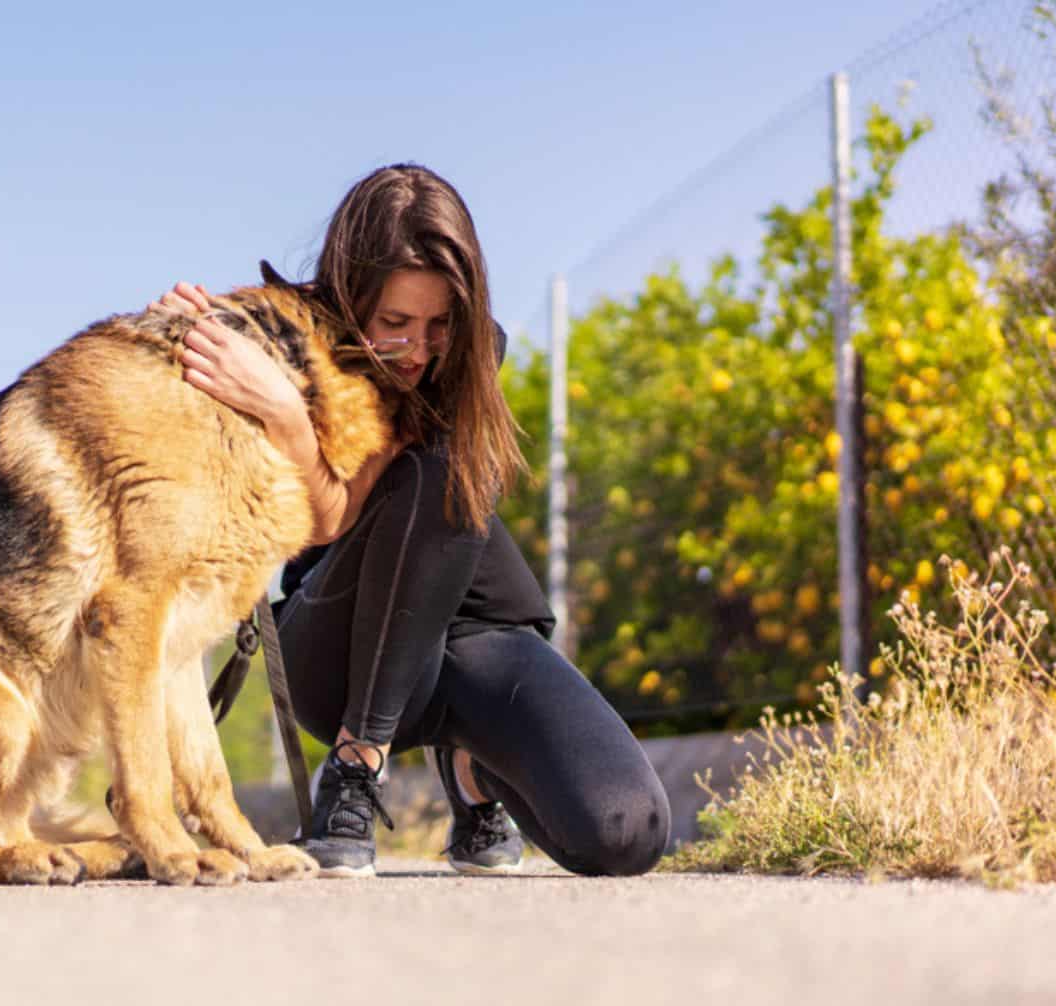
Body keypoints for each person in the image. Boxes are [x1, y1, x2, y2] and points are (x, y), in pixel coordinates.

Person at [150, 162, 669, 878]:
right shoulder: (288, 339)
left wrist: (286, 418)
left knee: (626, 834)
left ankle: (470, 776)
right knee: (435, 472)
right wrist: (196, 339)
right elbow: (323, 525)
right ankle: (356, 771)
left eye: (438, 325)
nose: (418, 350)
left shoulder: (469, 355)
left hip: (473, 637)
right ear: (349, 294)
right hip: (338, 651)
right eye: (394, 324)